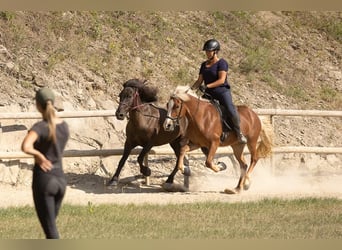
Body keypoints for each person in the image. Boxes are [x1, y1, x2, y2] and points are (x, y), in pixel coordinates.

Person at [21, 87, 69, 239]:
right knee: (51, 227)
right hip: (61, 181)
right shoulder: (64, 127)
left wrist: (38, 155)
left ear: (38, 105)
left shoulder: (39, 127)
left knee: (52, 233)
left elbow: (25, 146)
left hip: (44, 181)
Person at [191, 38, 247, 144]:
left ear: (215, 51)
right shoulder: (204, 65)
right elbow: (199, 80)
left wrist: (207, 86)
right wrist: (190, 90)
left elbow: (221, 80)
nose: (207, 53)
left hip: (222, 92)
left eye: (209, 51)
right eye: (206, 51)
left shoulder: (222, 63)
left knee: (230, 109)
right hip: (209, 94)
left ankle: (239, 132)